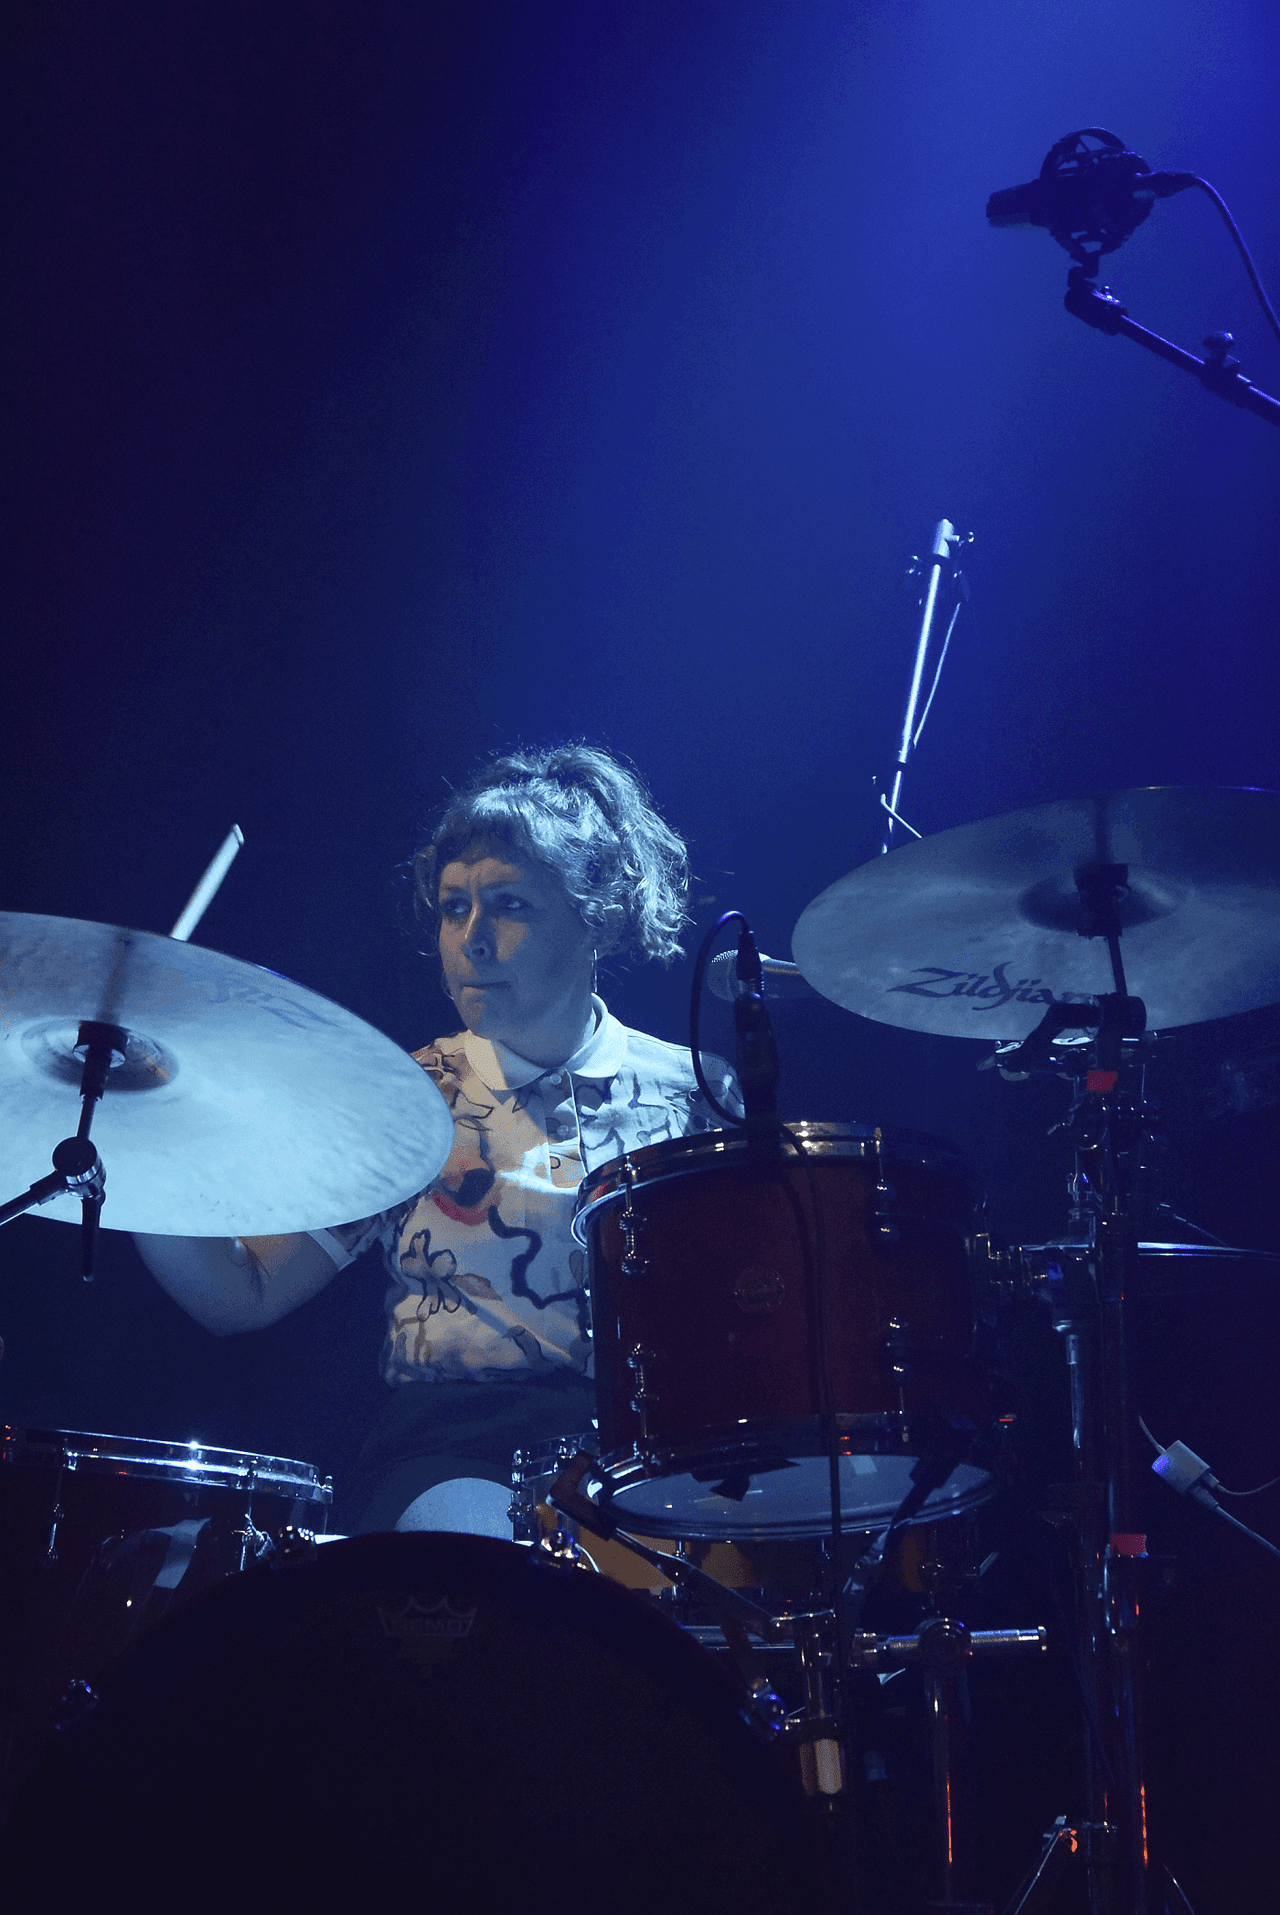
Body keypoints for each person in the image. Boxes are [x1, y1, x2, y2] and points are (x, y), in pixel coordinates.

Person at [135, 744, 739, 1535]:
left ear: (597, 918)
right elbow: (241, 1292)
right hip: (456, 1452)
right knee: (499, 1574)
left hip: (652, 1459)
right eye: (455, 907)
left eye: (509, 904)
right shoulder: (409, 1097)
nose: (472, 939)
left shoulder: (698, 1093)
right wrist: (139, 1134)